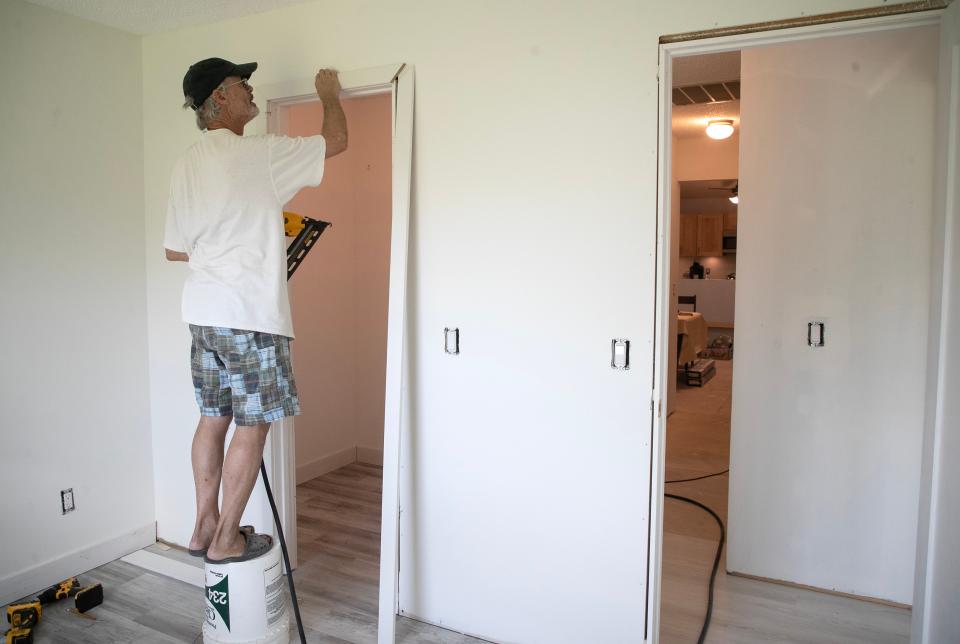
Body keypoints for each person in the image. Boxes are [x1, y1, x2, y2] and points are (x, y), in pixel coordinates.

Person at [163, 58, 347, 563]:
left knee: (212, 417)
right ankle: (225, 539)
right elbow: (334, 142)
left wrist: (240, 234)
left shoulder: (187, 163)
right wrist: (328, 94)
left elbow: (175, 250)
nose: (251, 90)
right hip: (248, 315)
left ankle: (202, 525)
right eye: (242, 84)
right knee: (253, 424)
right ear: (218, 98)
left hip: (202, 315)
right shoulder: (257, 154)